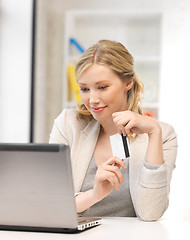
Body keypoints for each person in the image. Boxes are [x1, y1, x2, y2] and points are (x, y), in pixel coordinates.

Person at [49, 40, 177, 221]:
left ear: (128, 83)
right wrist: (94, 194)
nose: (92, 99)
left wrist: (154, 132)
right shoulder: (68, 124)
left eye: (102, 87)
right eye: (85, 89)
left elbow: (151, 213)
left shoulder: (164, 135)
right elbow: (51, 205)